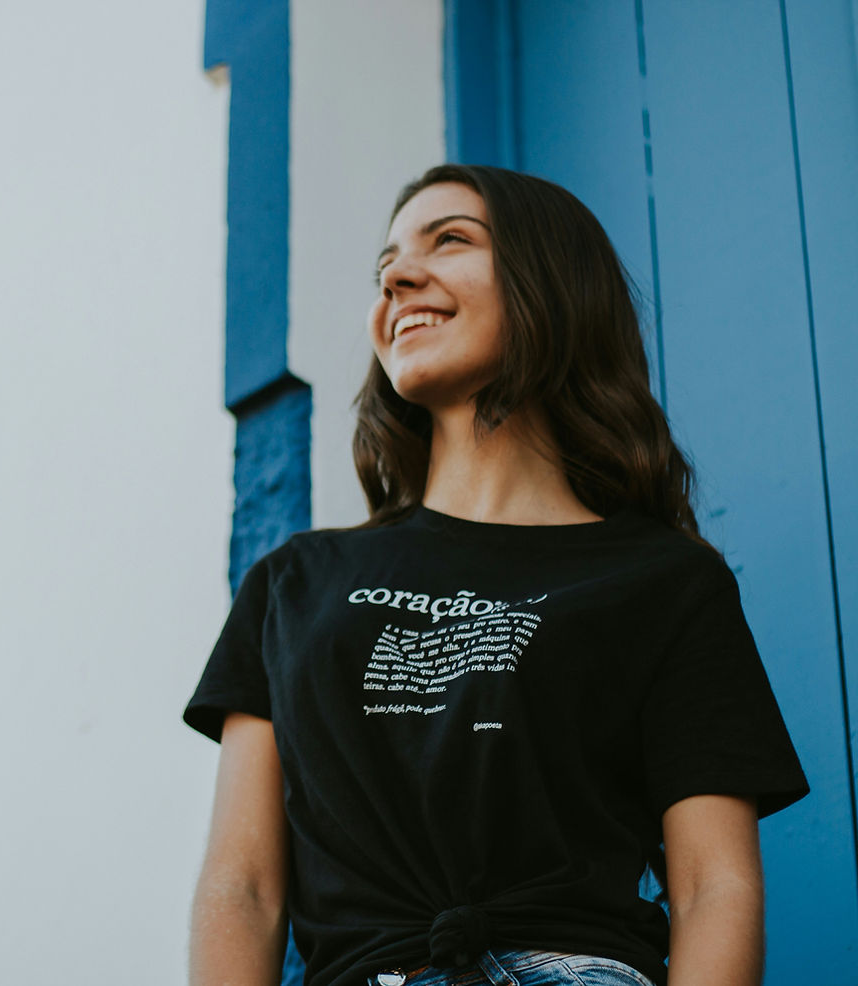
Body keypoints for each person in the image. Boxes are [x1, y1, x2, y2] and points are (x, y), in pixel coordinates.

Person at [182, 164, 809, 986]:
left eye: (450, 241)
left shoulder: (668, 581)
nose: (398, 280)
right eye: (385, 267)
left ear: (552, 284)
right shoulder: (292, 584)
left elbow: (713, 888)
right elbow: (242, 890)